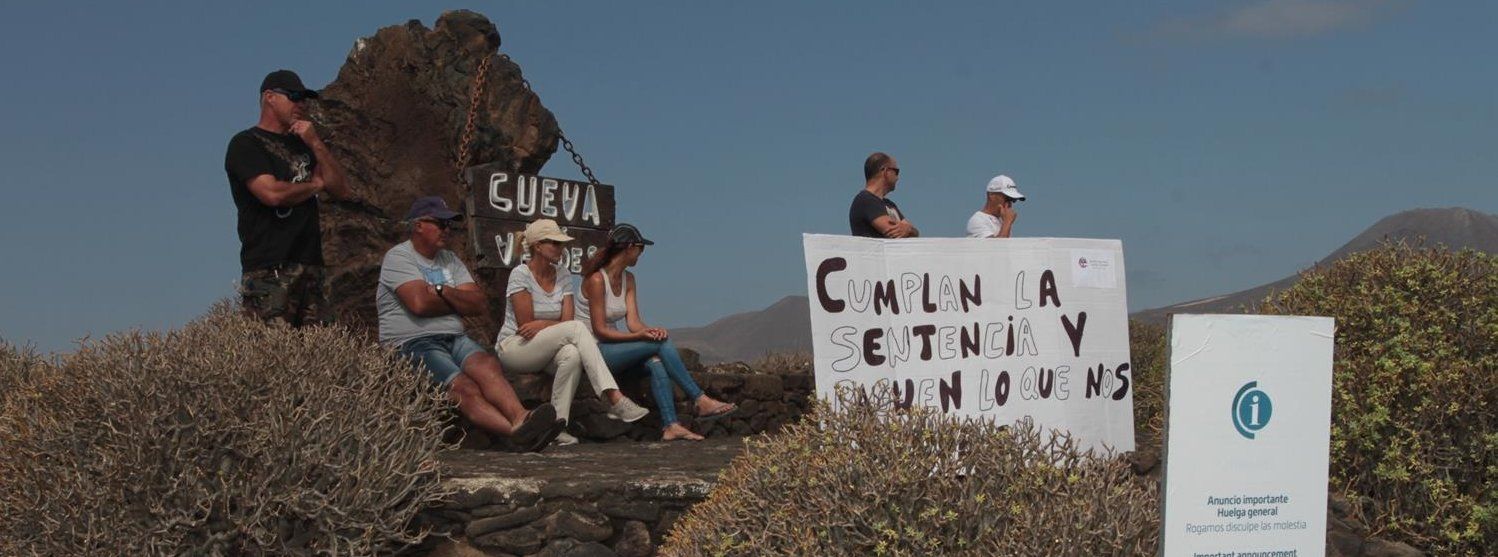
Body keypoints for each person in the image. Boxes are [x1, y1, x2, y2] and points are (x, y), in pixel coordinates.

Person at [377, 197, 564, 452]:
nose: (447, 230)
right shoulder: (398, 257)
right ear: (419, 224)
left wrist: (441, 291)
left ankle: (522, 418)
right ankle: (518, 434)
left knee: (487, 365)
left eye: (449, 225)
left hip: (453, 337)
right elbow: (418, 304)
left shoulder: (450, 259)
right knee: (463, 387)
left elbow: (477, 303)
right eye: (440, 224)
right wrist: (455, 298)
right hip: (413, 341)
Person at [578, 224, 738, 442]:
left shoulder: (629, 279)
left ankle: (671, 425)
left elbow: (634, 322)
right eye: (641, 249)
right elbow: (601, 331)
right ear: (630, 248)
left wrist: (650, 331)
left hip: (612, 349)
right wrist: (641, 338)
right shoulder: (597, 280)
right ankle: (700, 399)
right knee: (660, 345)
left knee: (655, 359)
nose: (641, 255)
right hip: (593, 352)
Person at [495, 219, 649, 444]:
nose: (561, 249)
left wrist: (543, 324)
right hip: (515, 347)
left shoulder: (563, 274)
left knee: (572, 355)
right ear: (538, 246)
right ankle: (613, 397)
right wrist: (546, 324)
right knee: (576, 329)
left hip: (546, 347)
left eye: (562, 244)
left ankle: (556, 428)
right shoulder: (521, 274)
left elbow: (566, 319)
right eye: (555, 244)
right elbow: (525, 325)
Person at [225, 69, 352, 327]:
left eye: (303, 99)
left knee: (320, 357)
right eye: (294, 96)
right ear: (270, 97)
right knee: (273, 356)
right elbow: (271, 194)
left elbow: (341, 189)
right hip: (269, 269)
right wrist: (315, 185)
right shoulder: (246, 144)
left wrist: (316, 143)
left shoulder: (305, 144)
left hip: (312, 267)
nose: (300, 104)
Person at [849, 152, 919, 239]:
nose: (898, 178)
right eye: (896, 172)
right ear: (886, 172)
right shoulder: (865, 200)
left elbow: (914, 232)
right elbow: (894, 232)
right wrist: (908, 229)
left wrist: (908, 229)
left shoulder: (890, 204)